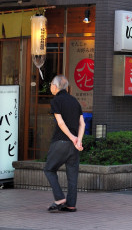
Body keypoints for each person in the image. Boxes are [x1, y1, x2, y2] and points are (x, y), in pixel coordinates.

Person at [43, 75, 85, 213]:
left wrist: (72, 137)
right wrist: (78, 140)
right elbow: (82, 124)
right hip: (73, 146)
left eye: (51, 85)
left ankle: (60, 198)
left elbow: (60, 123)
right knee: (72, 175)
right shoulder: (75, 101)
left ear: (55, 87)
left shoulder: (56, 101)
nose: (50, 87)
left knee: (49, 169)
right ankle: (71, 204)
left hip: (61, 142)